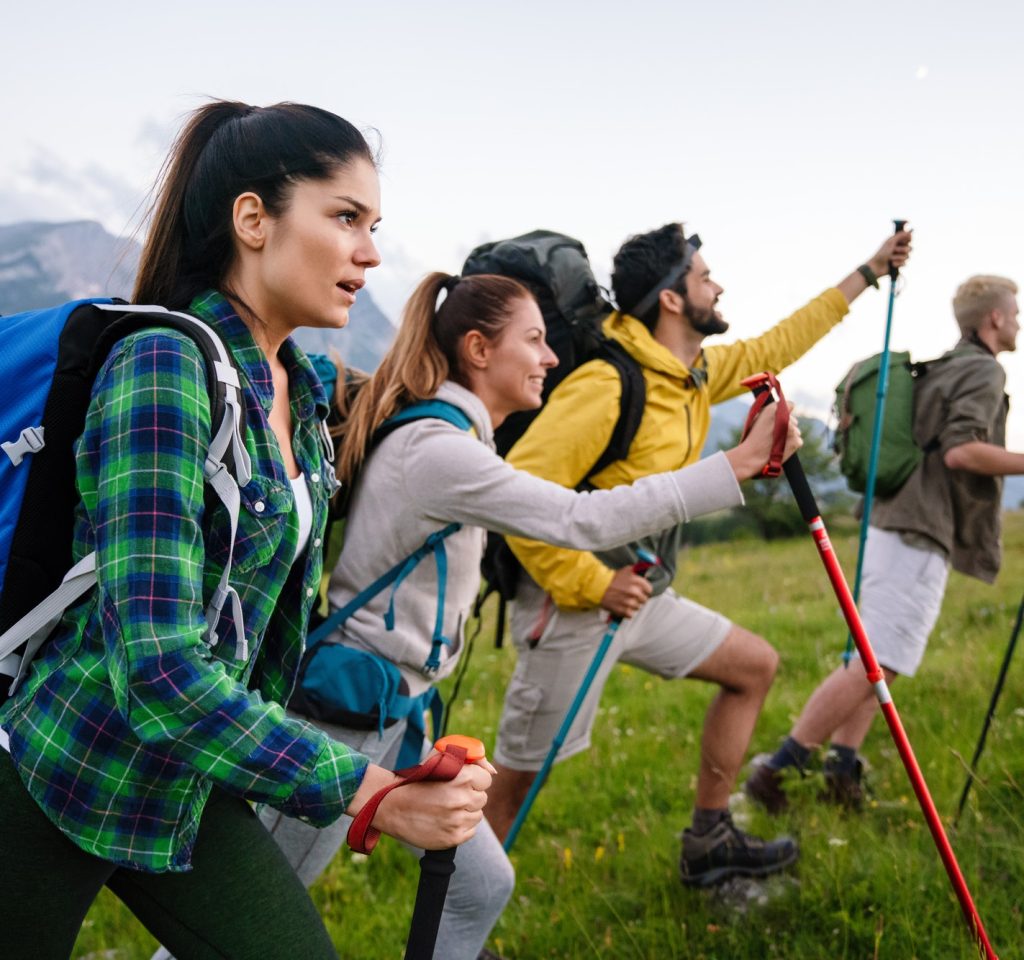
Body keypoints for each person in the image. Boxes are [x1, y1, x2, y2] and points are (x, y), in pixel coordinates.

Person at [0, 100, 494, 960]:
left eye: (374, 225)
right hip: (60, 769)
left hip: (183, 778)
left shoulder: (300, 394)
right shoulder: (164, 366)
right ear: (253, 219)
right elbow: (157, 668)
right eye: (345, 218)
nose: (371, 252)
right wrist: (367, 791)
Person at [260, 269, 802, 960]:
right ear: (480, 351)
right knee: (251, 924)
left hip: (392, 713)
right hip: (347, 715)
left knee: (482, 884)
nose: (551, 356)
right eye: (536, 339)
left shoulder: (457, 438)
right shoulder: (439, 450)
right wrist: (736, 465)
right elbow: (582, 518)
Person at [483, 221, 913, 888]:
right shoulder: (608, 385)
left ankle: (709, 840)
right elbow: (516, 498)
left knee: (753, 667)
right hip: (569, 604)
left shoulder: (692, 376)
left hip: (642, 596)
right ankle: (446, 933)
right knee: (515, 781)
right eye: (704, 275)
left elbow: (781, 342)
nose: (718, 285)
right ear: (674, 300)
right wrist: (592, 583)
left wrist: (870, 270)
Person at [745, 274, 1022, 812]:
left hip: (892, 520)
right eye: (1013, 312)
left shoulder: (944, 366)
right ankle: (779, 770)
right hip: (920, 527)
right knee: (877, 662)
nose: (1017, 321)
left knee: (880, 656)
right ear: (993, 318)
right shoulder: (983, 370)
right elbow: (962, 452)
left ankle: (841, 771)